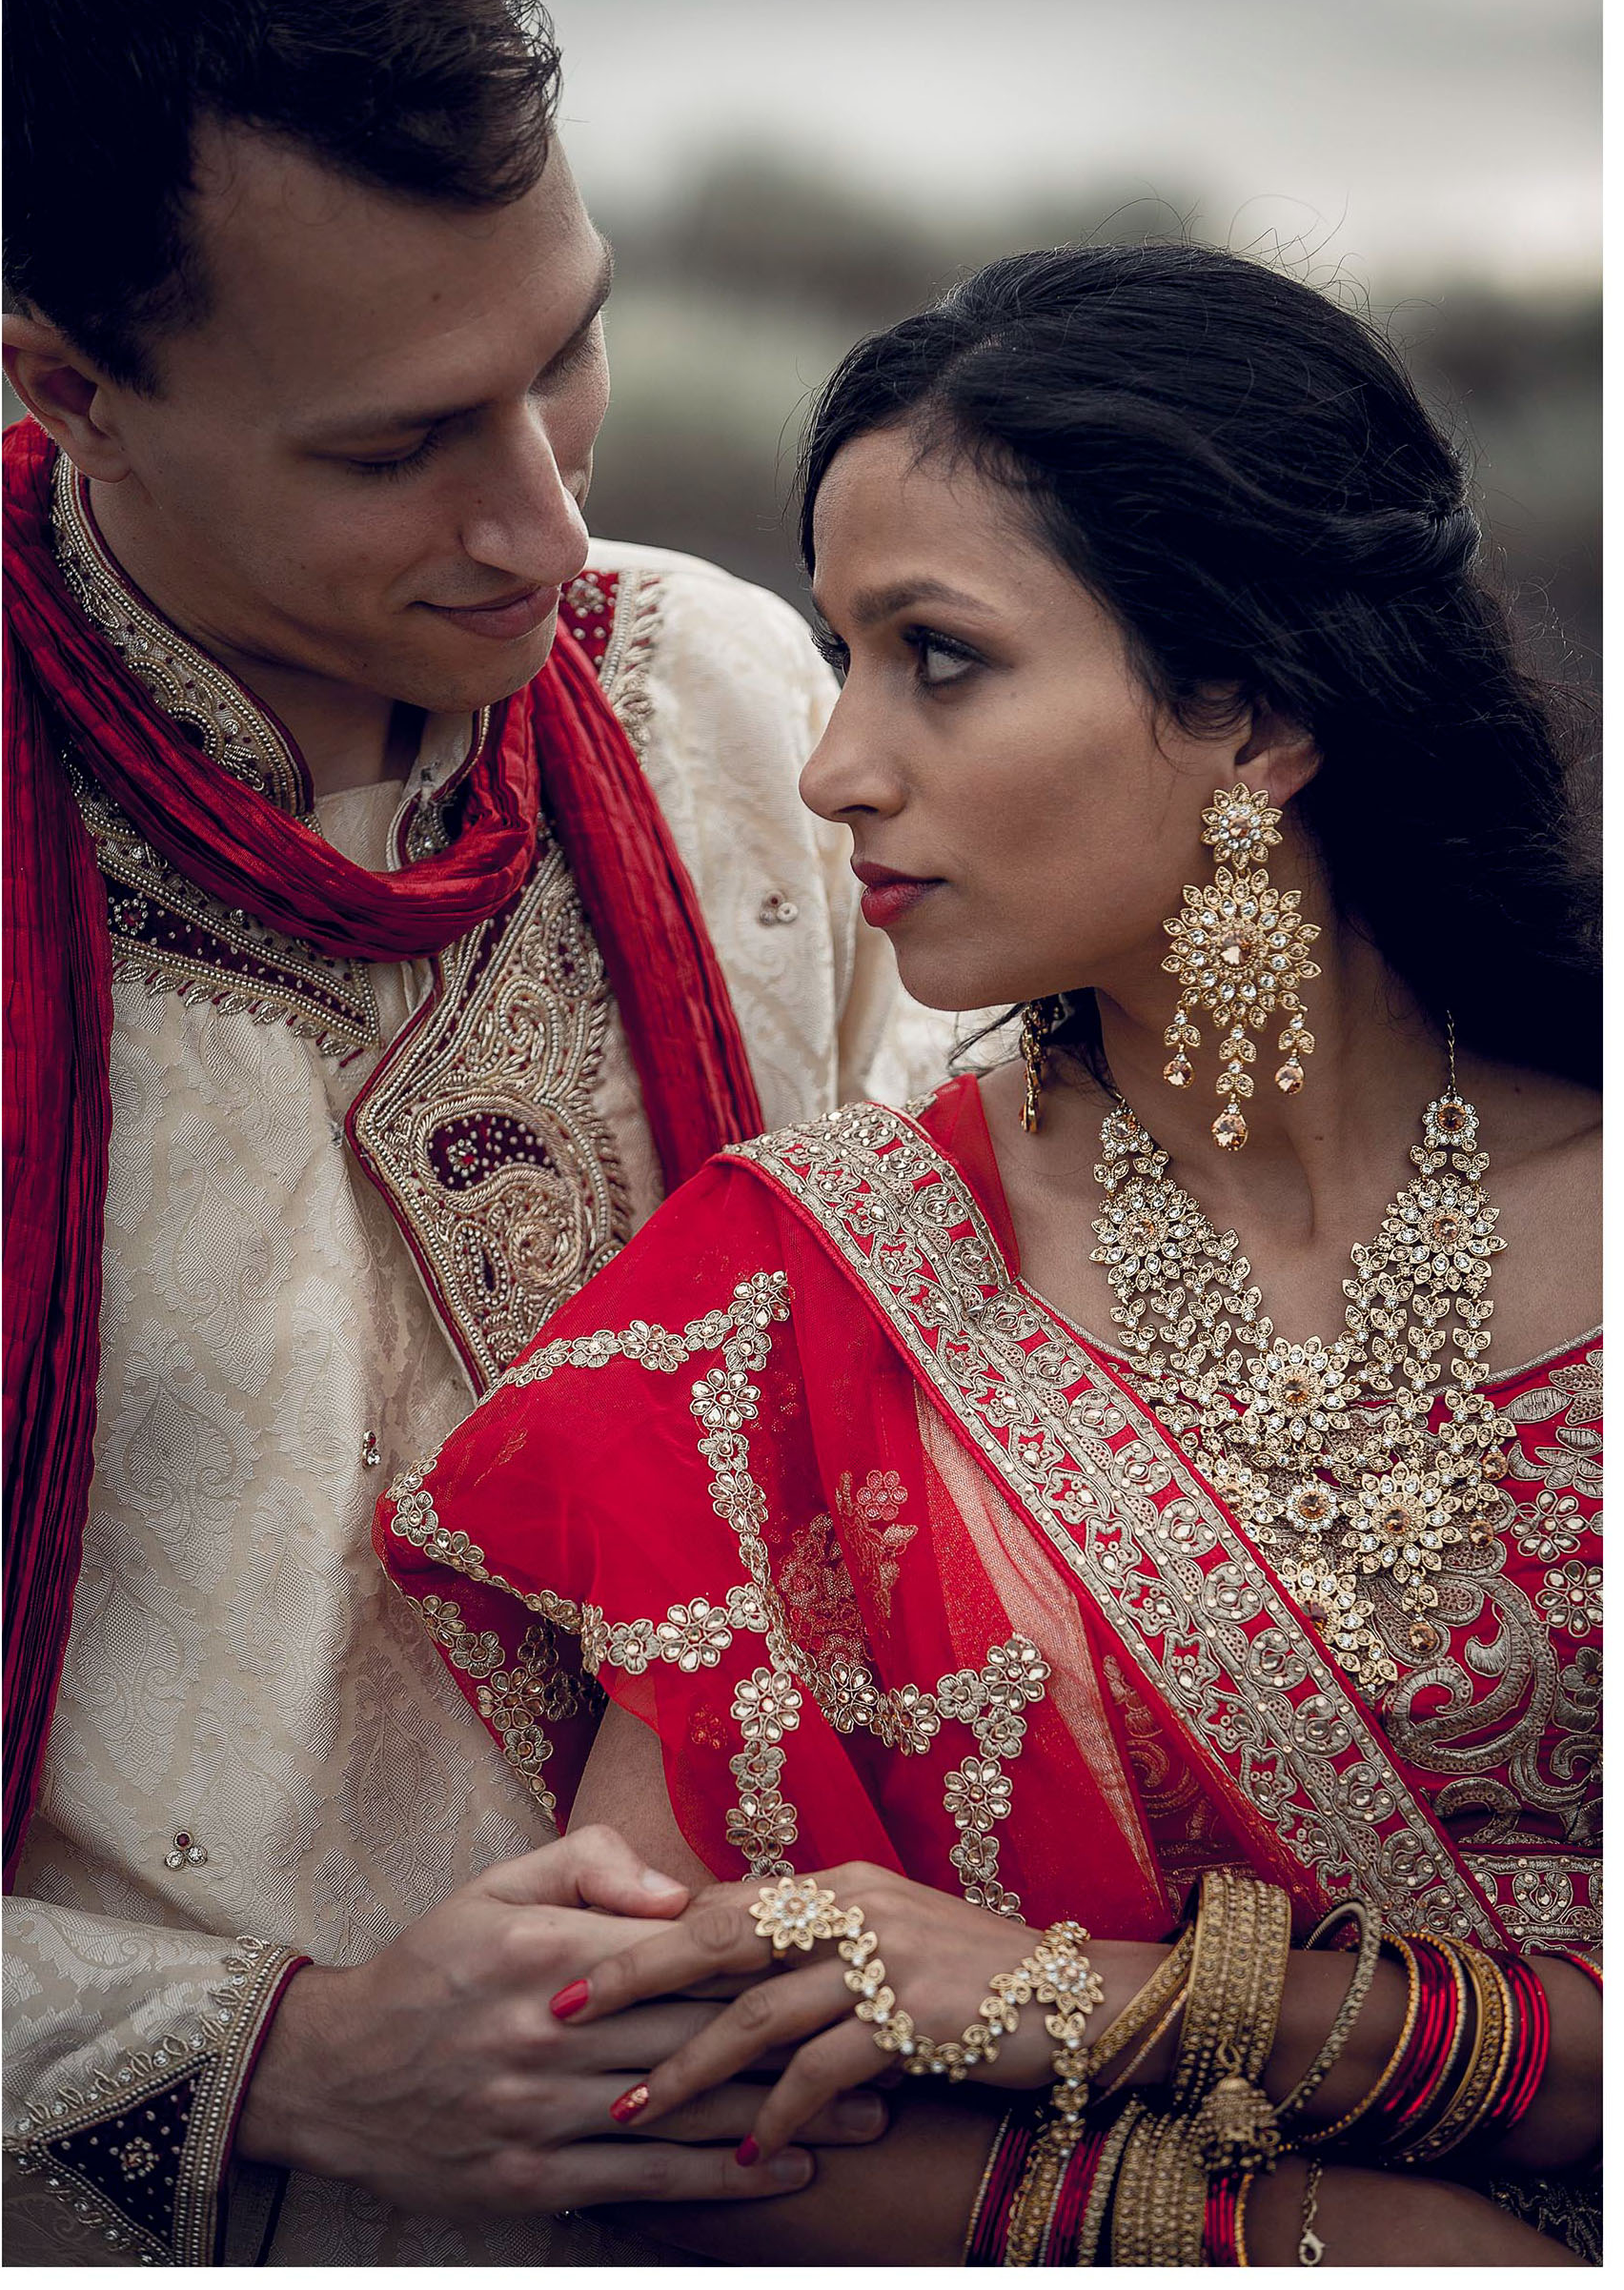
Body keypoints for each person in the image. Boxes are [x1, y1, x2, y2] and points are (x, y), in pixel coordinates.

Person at [381, 244, 1602, 2264]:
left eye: (935, 655)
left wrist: (1105, 1999)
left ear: (1257, 709)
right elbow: (646, 2070)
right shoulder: (786, 1302)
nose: (836, 762)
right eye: (842, 655)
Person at [2, 0, 944, 2266]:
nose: (544, 515)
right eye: (400, 442)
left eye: (570, 352)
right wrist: (290, 2064)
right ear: (63, 380)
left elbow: (1056, 1409)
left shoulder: (747, 716)